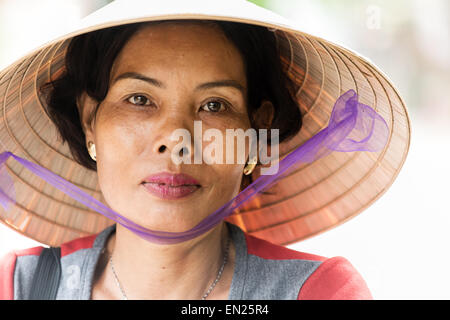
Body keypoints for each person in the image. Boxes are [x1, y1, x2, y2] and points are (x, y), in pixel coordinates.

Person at [0, 0, 410, 300]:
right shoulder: (20, 285)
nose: (177, 140)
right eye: (140, 99)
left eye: (214, 105)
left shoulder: (319, 292)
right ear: (90, 119)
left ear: (256, 129)